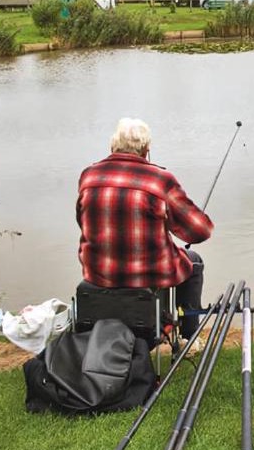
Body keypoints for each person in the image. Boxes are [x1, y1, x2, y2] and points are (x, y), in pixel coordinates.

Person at [77, 117, 213, 338]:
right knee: (193, 260)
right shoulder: (160, 180)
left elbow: (81, 220)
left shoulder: (89, 176)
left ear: (112, 146)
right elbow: (200, 231)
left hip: (99, 272)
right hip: (148, 273)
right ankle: (189, 337)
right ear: (146, 150)